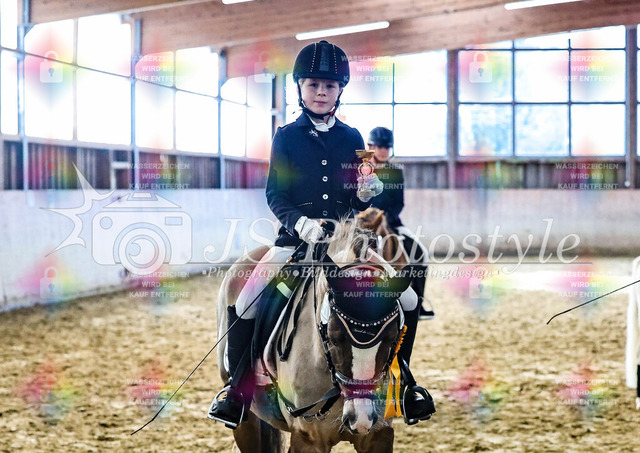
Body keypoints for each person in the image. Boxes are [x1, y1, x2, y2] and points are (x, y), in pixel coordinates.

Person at [208, 41, 434, 429]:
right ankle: (237, 391)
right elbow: (275, 194)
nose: (321, 92)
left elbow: (358, 195)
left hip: (347, 245)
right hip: (295, 243)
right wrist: (302, 224)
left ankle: (406, 384)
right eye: (313, 84)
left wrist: (365, 194)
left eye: (329, 86)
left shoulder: (352, 137)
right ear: (300, 87)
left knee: (409, 298)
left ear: (339, 90)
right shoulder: (286, 137)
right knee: (245, 301)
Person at [366, 126, 434, 322]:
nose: (384, 151)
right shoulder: (361, 171)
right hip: (363, 226)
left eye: (387, 147)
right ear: (371, 147)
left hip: (391, 224)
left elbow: (399, 203)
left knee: (421, 253)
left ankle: (418, 304)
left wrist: (386, 220)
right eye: (380, 147)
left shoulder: (395, 173)